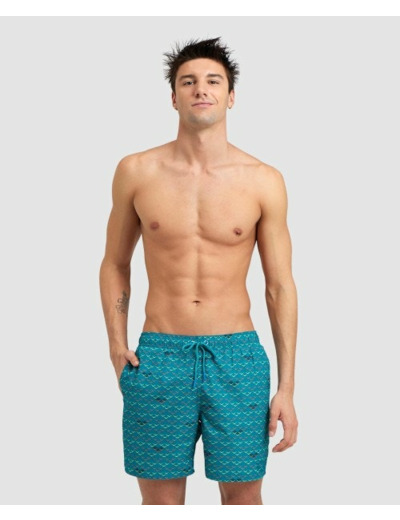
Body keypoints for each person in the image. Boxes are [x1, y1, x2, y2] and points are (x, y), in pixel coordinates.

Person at [99, 36, 298, 505]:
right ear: (174, 97)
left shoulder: (263, 180)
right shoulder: (137, 171)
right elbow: (115, 263)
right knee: (161, 503)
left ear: (231, 96)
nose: (200, 89)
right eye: (188, 82)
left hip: (237, 357)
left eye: (213, 81)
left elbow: (279, 286)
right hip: (158, 354)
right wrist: (116, 345)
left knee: (244, 500)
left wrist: (287, 387)